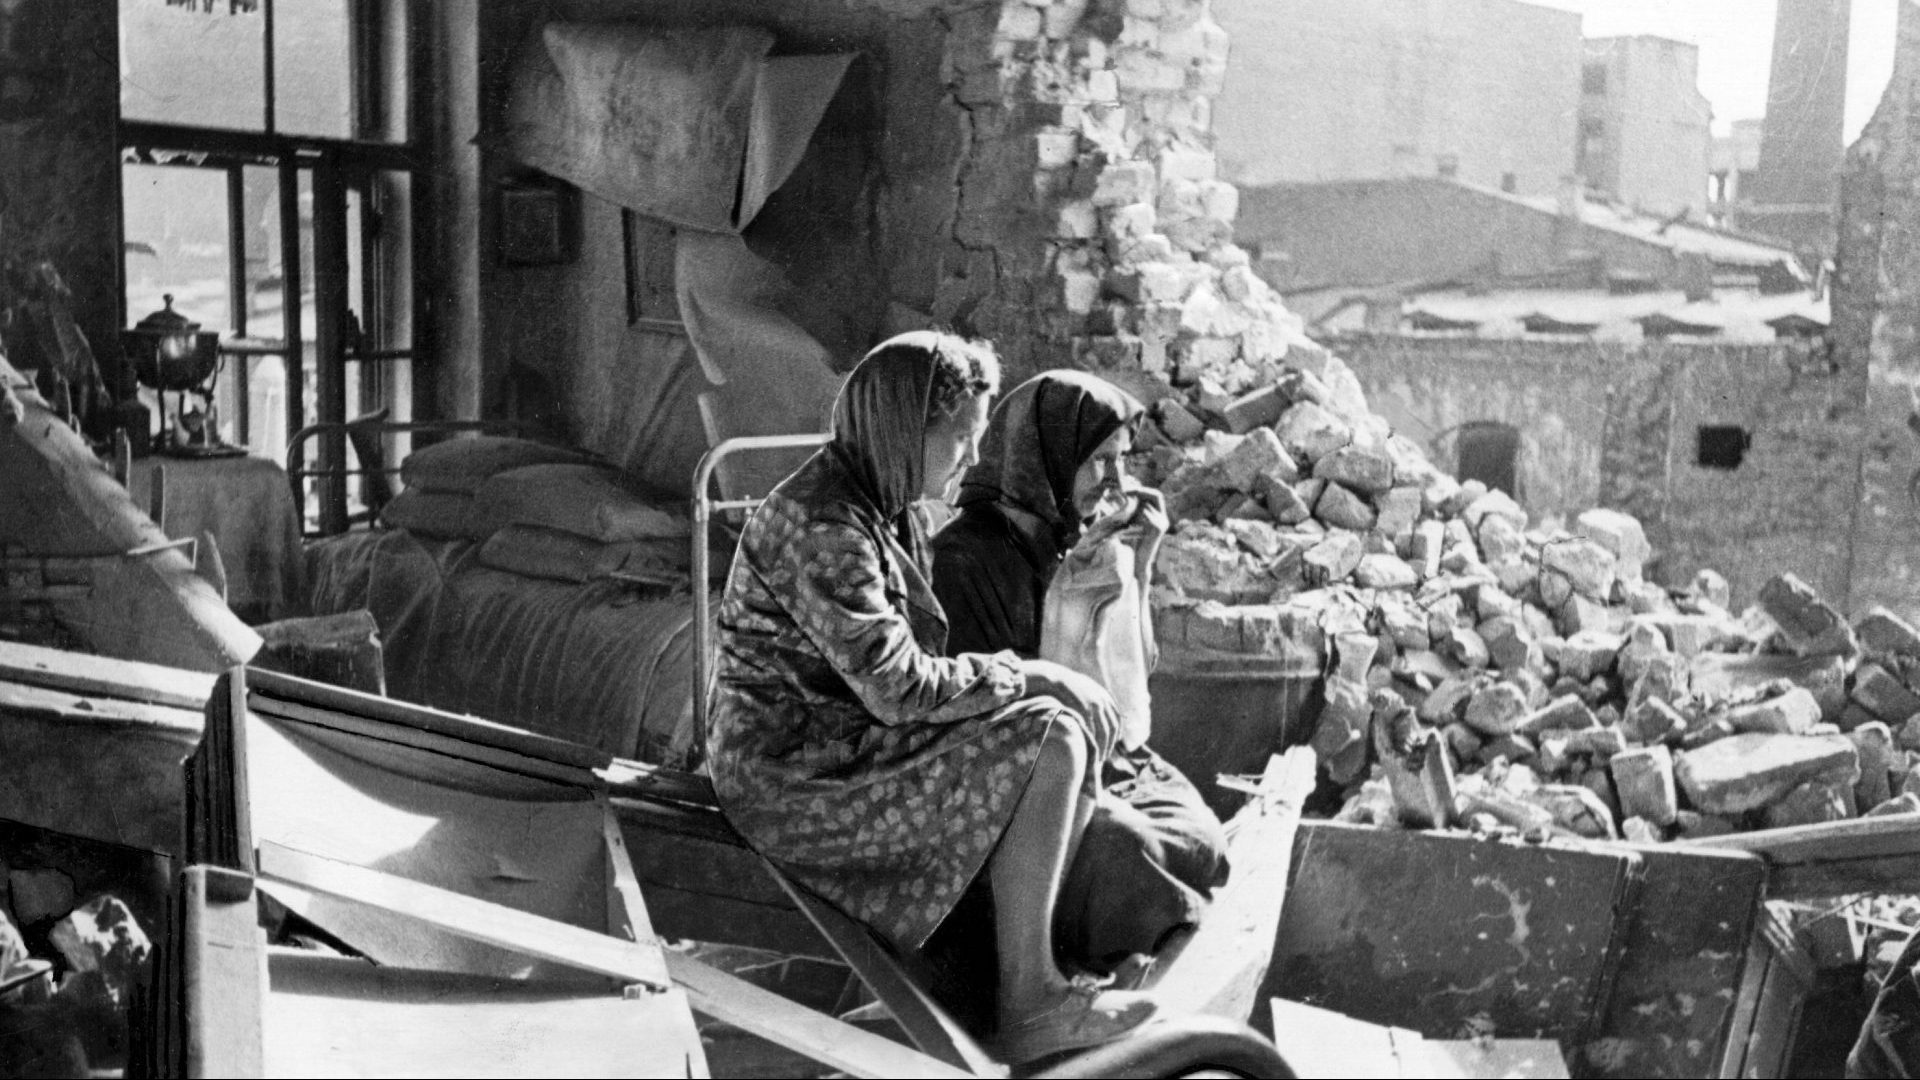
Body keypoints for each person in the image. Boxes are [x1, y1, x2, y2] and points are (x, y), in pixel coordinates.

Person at [705, 333, 1162, 1063]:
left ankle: (1026, 977)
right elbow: (899, 686)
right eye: (961, 437)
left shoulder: (879, 507)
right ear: (906, 431)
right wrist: (1033, 674)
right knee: (1049, 733)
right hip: (792, 773)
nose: (973, 457)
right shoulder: (824, 527)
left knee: (1059, 728)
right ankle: (1029, 1000)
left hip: (841, 744)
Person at [929, 370, 1230, 978]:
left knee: (1200, 831)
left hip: (1101, 754)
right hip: (1020, 774)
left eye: (1123, 461)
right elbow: (977, 720)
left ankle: (1127, 928)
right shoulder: (968, 559)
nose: (1117, 484)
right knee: (1126, 848)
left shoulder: (1075, 542)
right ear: (1046, 459)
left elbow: (1133, 678)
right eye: (1098, 463)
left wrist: (1140, 567)